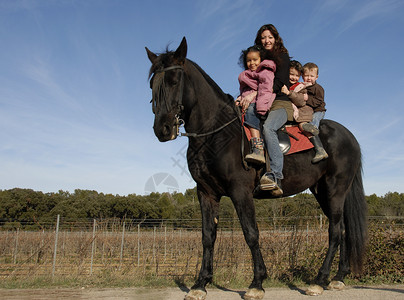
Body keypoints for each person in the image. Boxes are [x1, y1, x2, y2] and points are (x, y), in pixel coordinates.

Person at [254, 24, 293, 194]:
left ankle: (275, 174)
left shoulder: (282, 56)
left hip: (280, 102)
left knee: (268, 127)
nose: (267, 40)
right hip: (261, 100)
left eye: (270, 37)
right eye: (263, 37)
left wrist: (258, 93)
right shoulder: (257, 58)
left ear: (275, 38)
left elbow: (280, 82)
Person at [236, 45, 277, 165]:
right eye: (249, 60)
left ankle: (257, 148)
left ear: (261, 60)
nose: (252, 63)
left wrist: (252, 95)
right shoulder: (246, 75)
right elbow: (244, 91)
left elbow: (266, 88)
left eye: (255, 60)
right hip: (248, 99)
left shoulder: (265, 72)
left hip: (261, 99)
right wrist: (239, 98)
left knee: (250, 111)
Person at [301, 62, 328, 163]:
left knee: (313, 122)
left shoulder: (318, 88)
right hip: (308, 111)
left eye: (311, 76)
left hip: (318, 110)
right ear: (302, 76)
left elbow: (318, 101)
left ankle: (319, 149)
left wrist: (307, 98)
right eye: (306, 75)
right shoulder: (302, 86)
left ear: (316, 77)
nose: (309, 78)